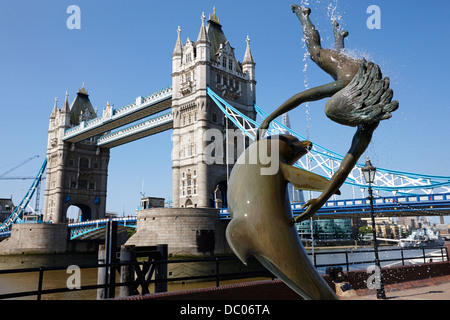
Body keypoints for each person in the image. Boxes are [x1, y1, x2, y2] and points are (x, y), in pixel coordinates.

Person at [256, 5, 398, 223]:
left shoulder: (369, 119)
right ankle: (304, 15)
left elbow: (343, 168)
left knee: (329, 55)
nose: (350, 126)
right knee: (315, 52)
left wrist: (319, 201)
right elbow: (302, 97)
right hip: (357, 74)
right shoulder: (347, 82)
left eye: (348, 123)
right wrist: (269, 118)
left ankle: (338, 38)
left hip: (361, 74)